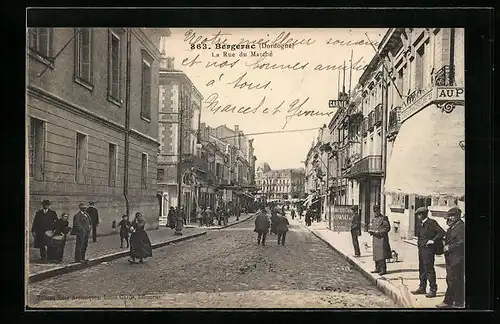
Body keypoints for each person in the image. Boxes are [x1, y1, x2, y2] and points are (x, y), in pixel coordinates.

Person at [411, 206, 446, 298]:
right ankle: (422, 287)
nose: (417, 216)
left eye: (419, 214)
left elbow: (442, 232)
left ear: (423, 214)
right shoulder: (420, 223)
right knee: (422, 268)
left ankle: (433, 289)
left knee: (429, 269)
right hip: (421, 249)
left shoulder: (432, 222)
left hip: (429, 250)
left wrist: (433, 240)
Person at [436, 207, 465, 308]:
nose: (449, 219)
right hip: (450, 258)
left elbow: (462, 242)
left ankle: (451, 302)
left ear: (457, 216)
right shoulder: (452, 227)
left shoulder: (461, 227)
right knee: (452, 279)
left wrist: (449, 247)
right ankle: (457, 301)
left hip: (458, 258)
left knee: (454, 279)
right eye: (449, 216)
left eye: (451, 216)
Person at [368, 205, 391, 275]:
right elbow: (372, 226)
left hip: (381, 238)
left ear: (379, 211)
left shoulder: (383, 218)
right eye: (374, 211)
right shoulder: (374, 219)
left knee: (381, 254)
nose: (375, 213)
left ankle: (383, 269)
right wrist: (370, 230)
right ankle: (377, 268)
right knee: (376, 254)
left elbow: (387, 228)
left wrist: (379, 232)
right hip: (375, 238)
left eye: (376, 211)